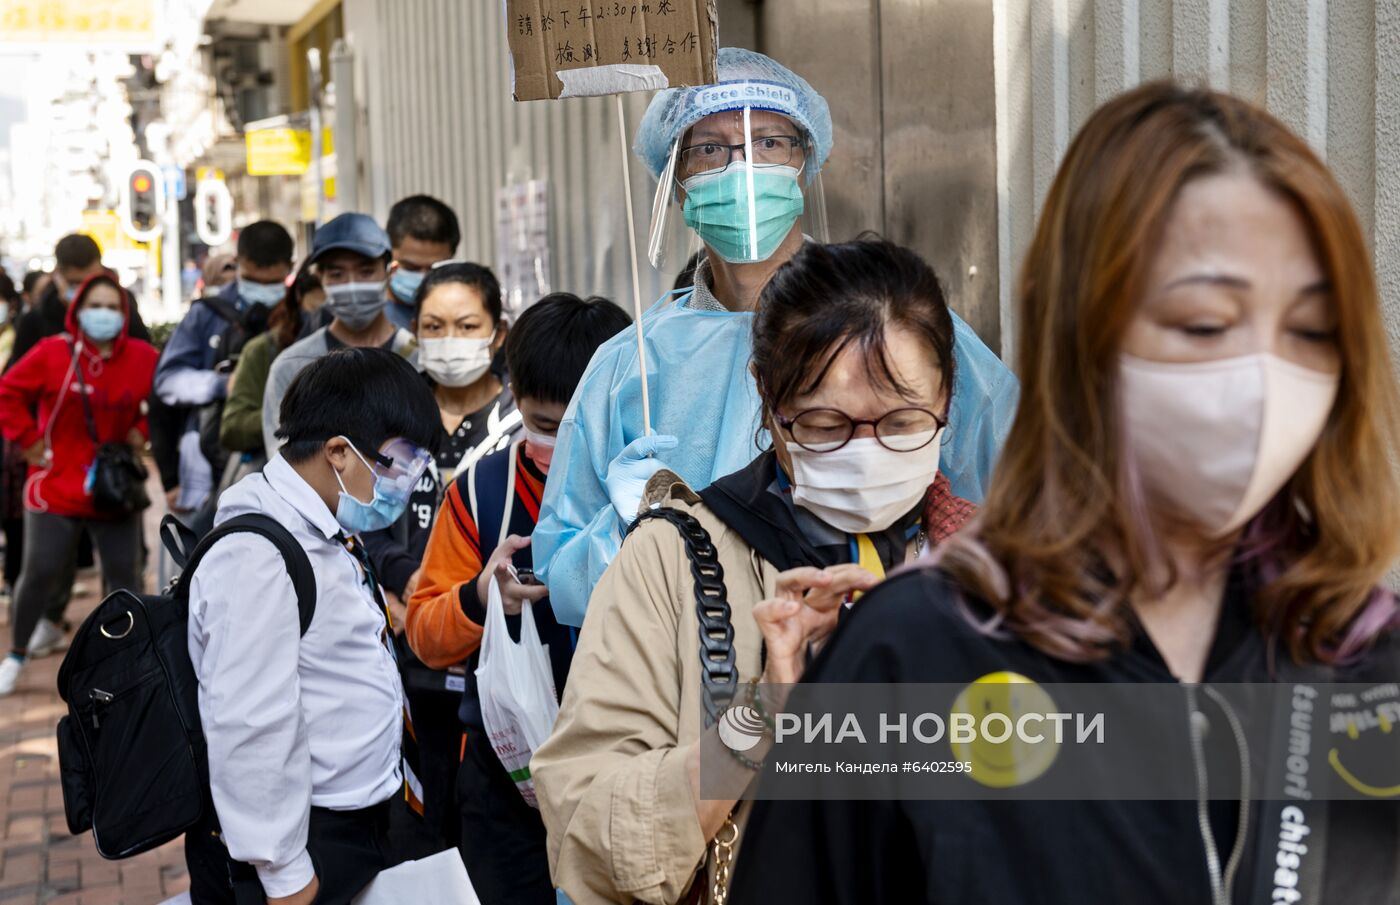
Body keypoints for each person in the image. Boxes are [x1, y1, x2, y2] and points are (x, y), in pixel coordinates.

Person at [728, 83, 1400, 905]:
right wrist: (759, 719)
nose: (1261, 380)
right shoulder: (913, 655)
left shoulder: (1367, 662)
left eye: (1309, 331)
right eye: (1203, 325)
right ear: (1084, 335)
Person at [532, 240, 974, 905]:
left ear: (947, 396)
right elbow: (585, 834)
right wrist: (758, 717)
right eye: (826, 425)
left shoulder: (999, 576)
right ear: (769, 400)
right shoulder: (674, 562)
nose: (865, 453)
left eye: (902, 421)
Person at [532, 48, 1019, 629]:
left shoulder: (891, 325)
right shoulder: (626, 368)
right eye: (710, 148)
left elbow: (1016, 502)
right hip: (695, 680)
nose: (742, 166)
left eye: (768, 142)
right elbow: (563, 584)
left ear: (804, 159)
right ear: (675, 181)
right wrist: (618, 536)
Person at [183, 348, 441, 905]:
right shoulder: (259, 555)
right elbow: (249, 723)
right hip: (304, 846)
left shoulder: (319, 524)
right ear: (339, 453)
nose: (409, 481)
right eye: (399, 462)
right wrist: (285, 875)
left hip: (349, 819)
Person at [407, 292, 630, 904]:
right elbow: (425, 634)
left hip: (630, 770)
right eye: (543, 426)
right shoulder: (480, 494)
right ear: (514, 402)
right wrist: (483, 600)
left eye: (581, 427)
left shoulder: (657, 488)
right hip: (510, 778)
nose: (561, 447)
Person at [0, 275, 158, 695]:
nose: (103, 314)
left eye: (112, 306)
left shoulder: (143, 357)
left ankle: (128, 662)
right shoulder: (54, 352)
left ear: (124, 314)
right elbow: (8, 393)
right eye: (95, 305)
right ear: (77, 309)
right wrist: (31, 446)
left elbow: (161, 403)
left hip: (115, 488)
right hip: (55, 484)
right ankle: (16, 654)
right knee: (38, 573)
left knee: (125, 578)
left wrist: (142, 431)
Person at [155, 221, 295, 516]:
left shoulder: (299, 315)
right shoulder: (206, 315)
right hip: (212, 457)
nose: (264, 291)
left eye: (273, 283)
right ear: (238, 264)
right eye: (254, 279)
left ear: (289, 268)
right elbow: (167, 381)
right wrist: (221, 385)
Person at [262, 213, 419, 461]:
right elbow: (284, 466)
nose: (352, 285)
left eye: (366, 271)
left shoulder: (419, 359)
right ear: (320, 279)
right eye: (337, 274)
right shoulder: (292, 367)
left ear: (390, 272)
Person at [219, 266, 325, 486]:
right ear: (299, 298)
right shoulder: (265, 352)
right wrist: (289, 415)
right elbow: (233, 427)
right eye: (319, 312)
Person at [5, 234, 150, 371]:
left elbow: (144, 355)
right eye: (75, 283)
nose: (86, 291)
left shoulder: (122, 305)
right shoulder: (36, 321)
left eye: (92, 281)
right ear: (57, 277)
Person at [385, 195, 461, 329]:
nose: (423, 278)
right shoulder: (368, 320)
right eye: (411, 268)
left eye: (435, 269)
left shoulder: (465, 312)